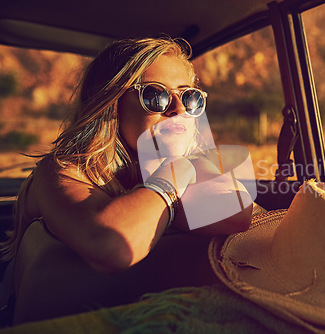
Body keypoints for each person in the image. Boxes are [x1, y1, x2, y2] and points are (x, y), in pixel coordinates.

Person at [0, 36, 253, 324]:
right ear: (111, 103)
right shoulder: (59, 171)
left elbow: (236, 211)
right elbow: (112, 247)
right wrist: (173, 178)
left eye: (189, 97)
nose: (179, 109)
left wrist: (167, 174)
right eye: (155, 96)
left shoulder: (187, 163)